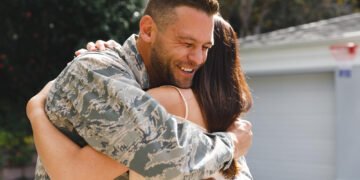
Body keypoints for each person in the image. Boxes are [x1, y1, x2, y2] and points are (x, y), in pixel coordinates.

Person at [27, 0, 253, 179]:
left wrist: (35, 109)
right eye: (186, 43)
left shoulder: (163, 86)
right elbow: (168, 153)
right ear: (147, 30)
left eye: (205, 47)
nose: (197, 58)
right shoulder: (97, 70)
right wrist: (231, 143)